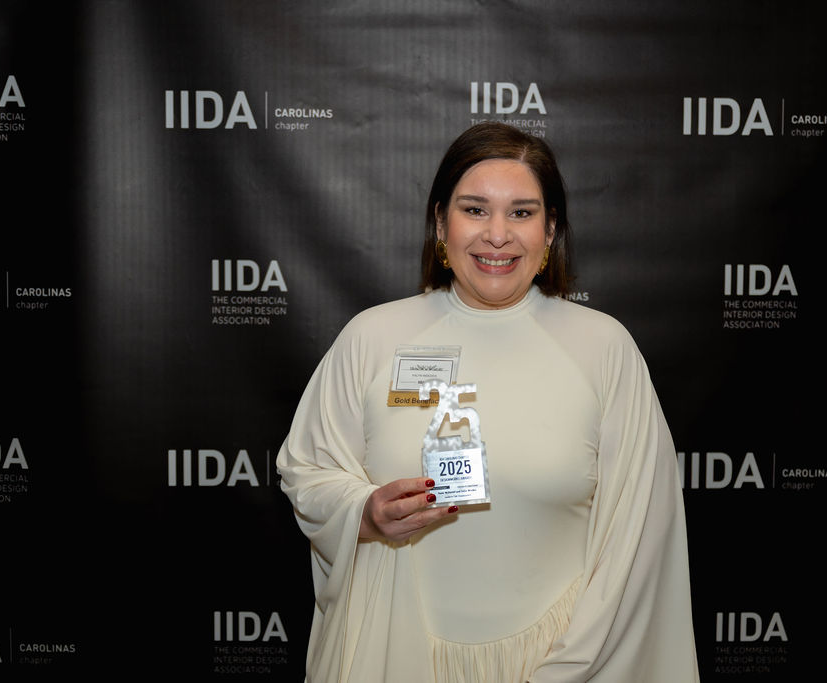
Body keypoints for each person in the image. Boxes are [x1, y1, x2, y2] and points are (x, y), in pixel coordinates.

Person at [278, 122, 699, 682]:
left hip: (560, 663)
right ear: (440, 222)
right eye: (474, 210)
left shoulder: (604, 349)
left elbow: (639, 535)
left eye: (521, 213)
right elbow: (307, 471)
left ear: (550, 229)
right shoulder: (371, 338)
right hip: (393, 656)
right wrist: (365, 512)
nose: (497, 235)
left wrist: (567, 669)